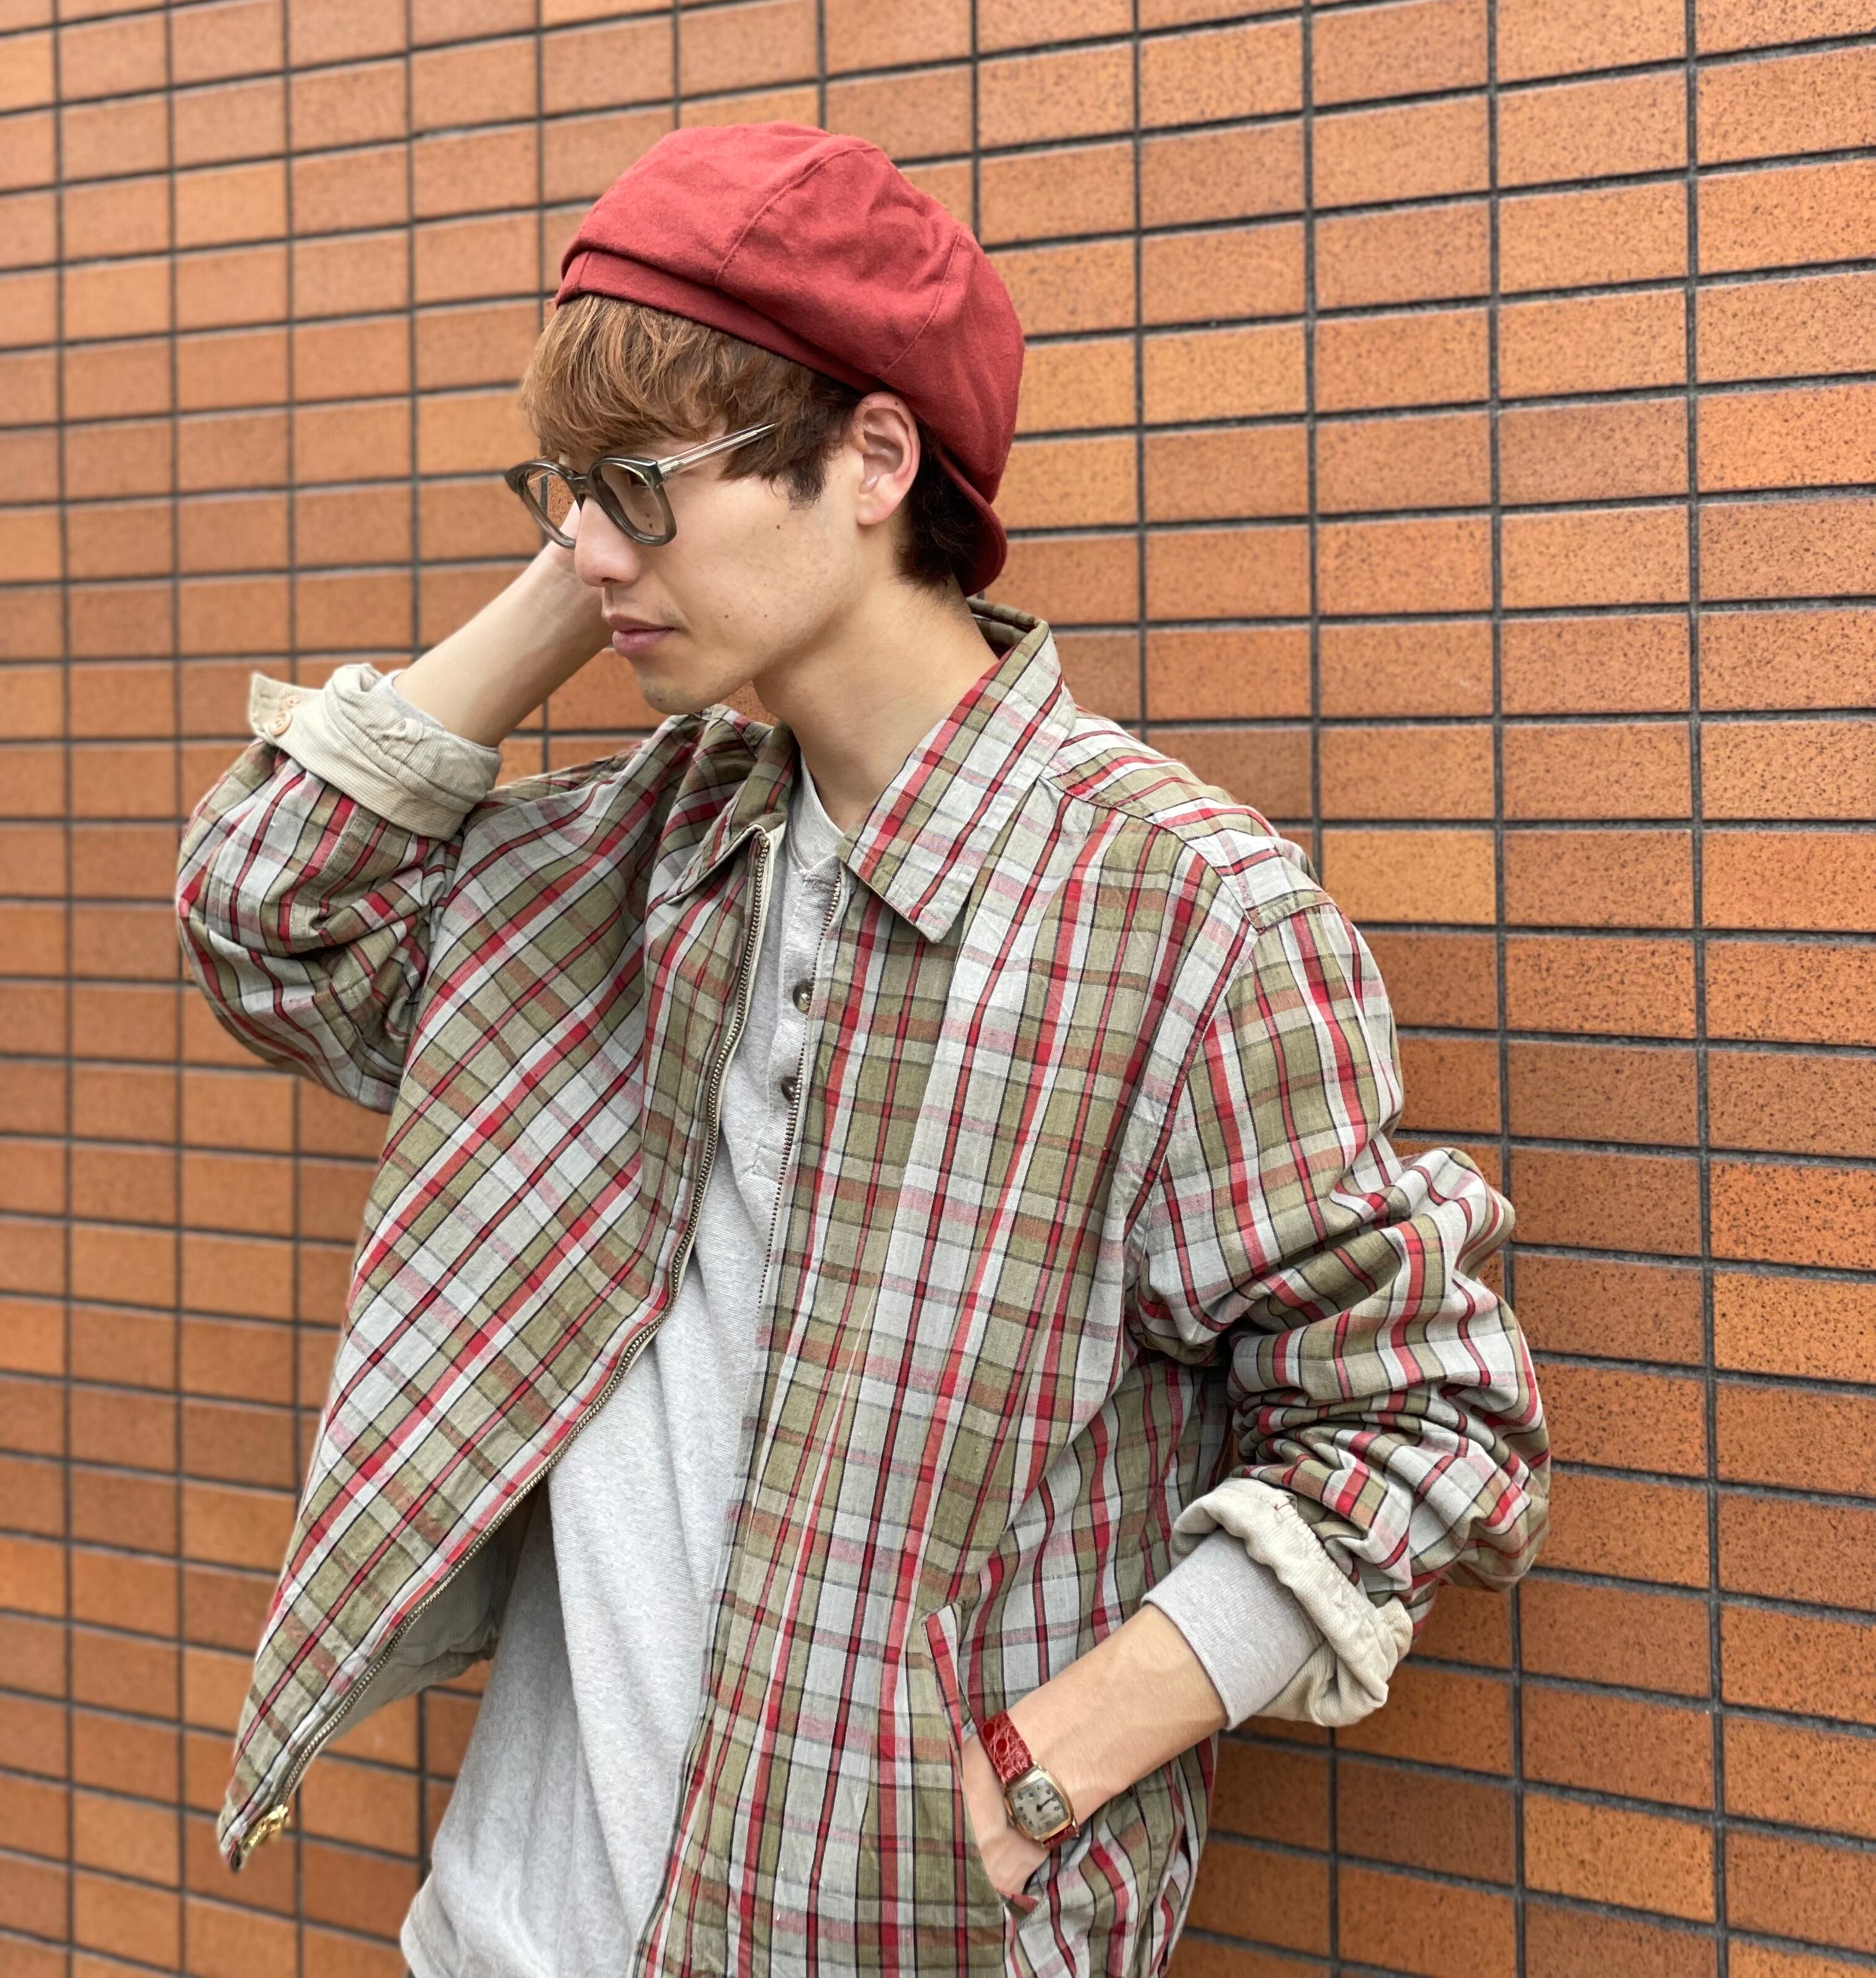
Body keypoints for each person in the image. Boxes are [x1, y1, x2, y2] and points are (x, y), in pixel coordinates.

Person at [176, 122, 1549, 1978]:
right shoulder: (643, 857)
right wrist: (601, 538)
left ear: (877, 460)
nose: (593, 546)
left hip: (876, 1930)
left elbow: (1429, 1413)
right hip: (503, 1933)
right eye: (565, 495)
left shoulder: (1177, 911)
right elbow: (268, 915)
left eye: (639, 490)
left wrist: (1059, 1759)